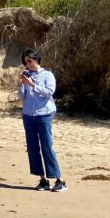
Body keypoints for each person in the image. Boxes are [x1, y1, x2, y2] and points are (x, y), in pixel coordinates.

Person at [18, 48, 66, 192]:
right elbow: (22, 97)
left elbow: (49, 92)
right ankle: (43, 180)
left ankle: (59, 180)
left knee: (46, 145)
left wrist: (32, 84)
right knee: (32, 147)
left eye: (30, 61)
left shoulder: (47, 75)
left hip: (44, 113)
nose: (28, 64)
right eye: (25, 62)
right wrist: (21, 83)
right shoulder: (26, 75)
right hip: (28, 114)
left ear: (36, 59)